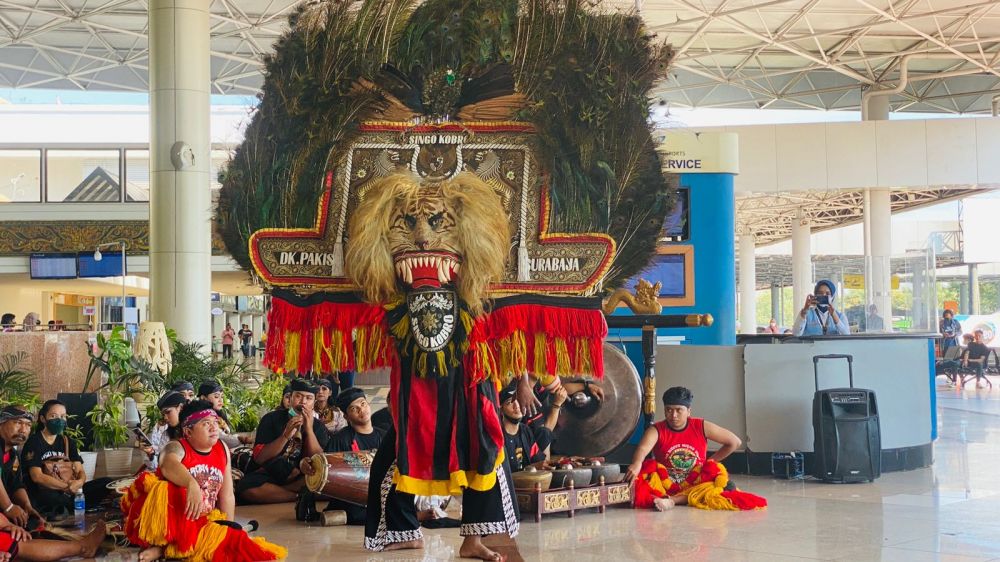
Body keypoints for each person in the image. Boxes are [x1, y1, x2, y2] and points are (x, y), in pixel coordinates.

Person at [122, 400, 285, 562]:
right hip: (176, 520)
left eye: (215, 422)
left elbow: (227, 495)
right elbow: (166, 464)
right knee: (164, 488)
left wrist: (225, 528)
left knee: (236, 544)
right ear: (188, 431)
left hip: (204, 520)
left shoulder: (222, 449)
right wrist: (191, 484)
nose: (214, 428)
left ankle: (172, 549)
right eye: (205, 423)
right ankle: (163, 545)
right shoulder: (177, 447)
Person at [624, 387, 764, 512]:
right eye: (669, 410)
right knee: (644, 473)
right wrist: (637, 463)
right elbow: (642, 449)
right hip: (666, 480)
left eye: (679, 410)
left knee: (718, 478)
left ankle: (671, 500)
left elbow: (734, 442)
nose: (673, 415)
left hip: (697, 480)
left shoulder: (701, 426)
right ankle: (669, 497)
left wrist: (710, 461)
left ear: (688, 411)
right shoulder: (657, 429)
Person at [299, 388, 385, 525]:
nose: (361, 410)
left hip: (381, 492)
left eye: (363, 404)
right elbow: (324, 467)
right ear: (346, 416)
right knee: (357, 511)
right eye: (353, 408)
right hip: (352, 498)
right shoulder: (341, 439)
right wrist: (306, 464)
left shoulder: (384, 436)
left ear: (369, 405)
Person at [237, 379, 329, 504]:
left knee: (323, 481)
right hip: (270, 475)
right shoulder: (271, 419)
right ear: (290, 398)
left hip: (300, 476)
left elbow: (317, 459)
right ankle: (298, 496)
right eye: (298, 396)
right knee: (247, 488)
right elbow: (260, 458)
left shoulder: (318, 426)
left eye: (308, 398)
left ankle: (278, 493)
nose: (303, 402)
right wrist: (285, 436)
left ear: (314, 403)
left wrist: (309, 430)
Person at [22, 401, 86, 518]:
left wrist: (79, 483)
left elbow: (80, 470)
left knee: (104, 483)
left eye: (63, 416)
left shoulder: (67, 441)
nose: (59, 420)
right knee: (49, 497)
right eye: (53, 416)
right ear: (43, 418)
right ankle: (68, 506)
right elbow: (37, 477)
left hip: (69, 490)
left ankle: (65, 507)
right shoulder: (34, 442)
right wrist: (67, 487)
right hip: (45, 492)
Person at [499, 381, 567, 472]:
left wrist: (557, 463)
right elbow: (502, 473)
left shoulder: (525, 430)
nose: (516, 405)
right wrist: (532, 467)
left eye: (517, 400)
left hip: (528, 482)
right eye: (509, 403)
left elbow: (538, 460)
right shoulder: (499, 436)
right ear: (501, 411)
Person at [142, 391, 186, 471]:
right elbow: (158, 466)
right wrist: (151, 454)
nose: (165, 417)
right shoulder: (167, 434)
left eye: (168, 412)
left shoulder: (195, 431)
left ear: (180, 407)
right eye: (163, 414)